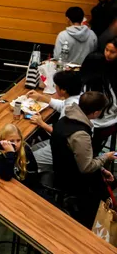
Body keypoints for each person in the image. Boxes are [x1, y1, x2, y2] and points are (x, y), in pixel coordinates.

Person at [51, 91, 117, 225]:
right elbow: (86, 167)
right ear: (96, 112)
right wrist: (106, 157)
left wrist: (101, 169)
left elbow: (80, 156)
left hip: (62, 170)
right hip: (73, 182)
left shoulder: (65, 119)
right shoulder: (80, 134)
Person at [0, 124, 40, 188]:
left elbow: (34, 172)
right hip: (10, 186)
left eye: (18, 140)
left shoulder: (25, 149)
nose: (16, 144)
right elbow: (6, 176)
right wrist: (10, 153)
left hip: (27, 187)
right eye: (11, 141)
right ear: (3, 141)